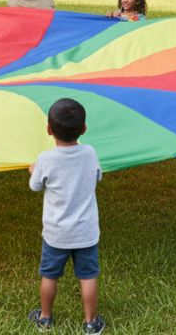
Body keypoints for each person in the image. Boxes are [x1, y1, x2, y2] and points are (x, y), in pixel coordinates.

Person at [28, 98, 105, 334]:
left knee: (49, 276)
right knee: (88, 276)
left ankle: (45, 318)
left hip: (56, 234)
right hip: (86, 232)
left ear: (49, 130)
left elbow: (35, 186)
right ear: (83, 129)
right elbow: (97, 177)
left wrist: (34, 170)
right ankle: (91, 322)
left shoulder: (45, 159)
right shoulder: (90, 153)